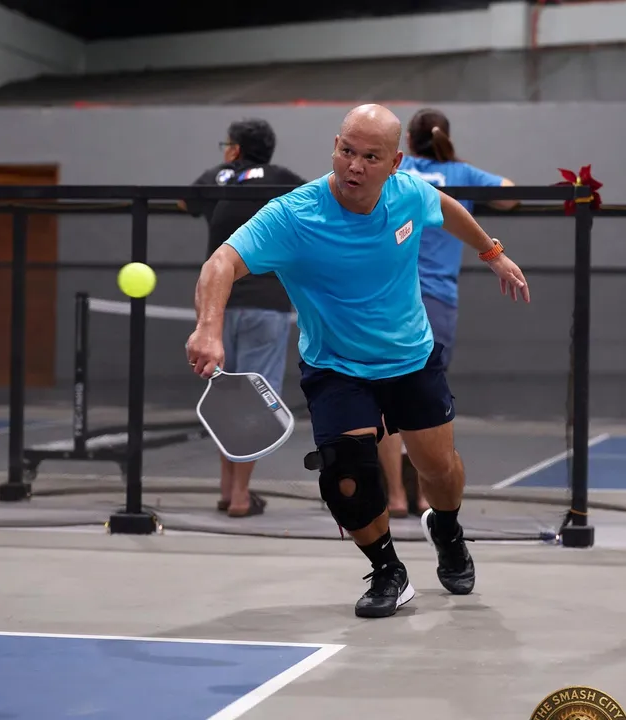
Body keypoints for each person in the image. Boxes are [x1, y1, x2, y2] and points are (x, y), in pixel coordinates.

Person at [186, 104, 530, 619]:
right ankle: (388, 569)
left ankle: (447, 528)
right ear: (335, 146)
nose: (355, 166)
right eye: (347, 151)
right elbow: (221, 263)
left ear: (394, 163)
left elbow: (445, 206)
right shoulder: (293, 215)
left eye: (371, 157)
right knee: (345, 477)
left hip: (410, 357)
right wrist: (208, 329)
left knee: (439, 469)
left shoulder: (407, 192)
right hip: (336, 365)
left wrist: (492, 252)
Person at [377, 107, 519, 518]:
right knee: (425, 397)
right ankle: (427, 496)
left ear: (407, 142)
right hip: (437, 299)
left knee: (384, 397)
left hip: (389, 296)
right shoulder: (461, 174)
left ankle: (395, 496)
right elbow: (510, 194)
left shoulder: (397, 172)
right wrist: (462, 170)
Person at [203, 119, 307, 517]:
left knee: (226, 396)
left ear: (235, 149)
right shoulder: (283, 179)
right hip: (267, 305)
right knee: (254, 400)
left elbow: (182, 202)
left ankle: (227, 490)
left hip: (218, 306)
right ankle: (241, 496)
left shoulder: (217, 177)